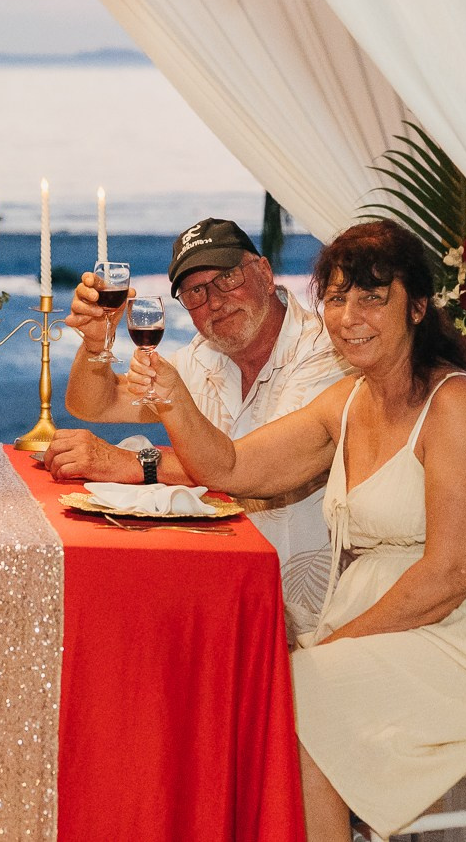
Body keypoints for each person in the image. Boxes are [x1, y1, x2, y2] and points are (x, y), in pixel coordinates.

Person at [133, 219, 466, 842]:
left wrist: (333, 647)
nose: (349, 316)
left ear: (415, 307)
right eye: (335, 298)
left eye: (371, 298)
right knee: (253, 689)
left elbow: (452, 573)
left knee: (292, 697)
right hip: (386, 625)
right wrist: (174, 400)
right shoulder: (348, 400)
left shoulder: (457, 403)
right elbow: (235, 468)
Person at [45, 217, 342, 634]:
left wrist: (137, 463)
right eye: (195, 293)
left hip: (303, 615)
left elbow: (252, 465)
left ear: (263, 271)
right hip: (213, 587)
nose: (215, 302)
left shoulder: (324, 351)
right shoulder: (206, 354)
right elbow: (96, 402)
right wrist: (97, 343)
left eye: (227, 278)